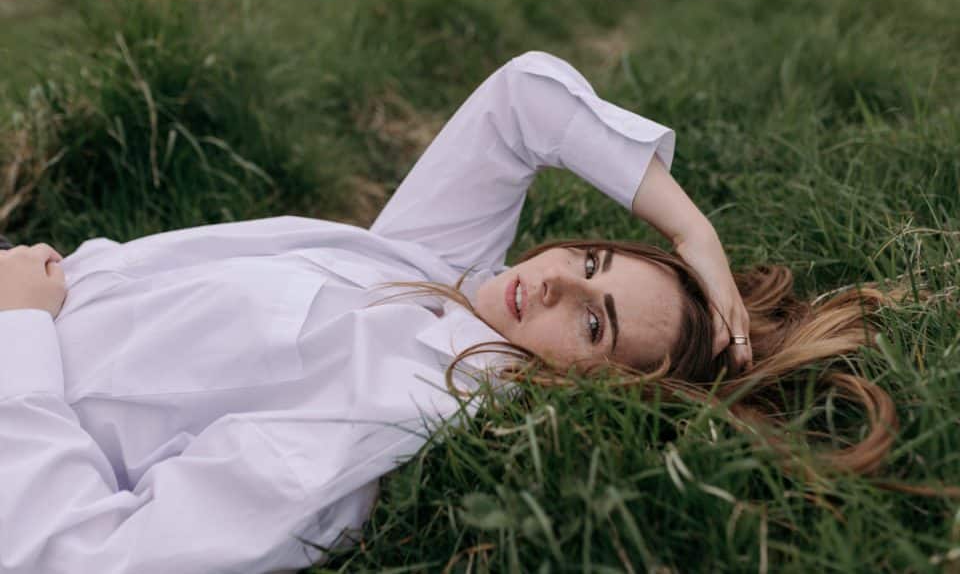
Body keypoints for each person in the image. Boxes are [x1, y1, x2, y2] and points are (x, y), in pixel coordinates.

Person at [0, 52, 894, 573]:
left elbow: (82, 558)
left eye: (593, 325)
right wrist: (690, 229)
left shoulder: (385, 415)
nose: (552, 285)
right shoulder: (438, 273)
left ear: (590, 397)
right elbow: (525, 99)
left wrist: (22, 330)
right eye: (588, 261)